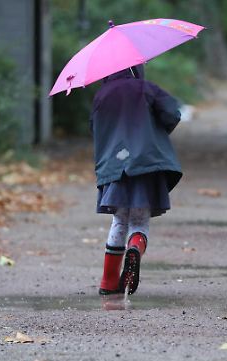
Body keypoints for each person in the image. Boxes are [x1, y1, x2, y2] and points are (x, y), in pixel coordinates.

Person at [91, 64, 182, 295]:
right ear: (136, 68)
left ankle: (108, 282)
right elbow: (172, 113)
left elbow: (96, 128)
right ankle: (135, 247)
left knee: (119, 221)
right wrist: (154, 129)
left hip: (116, 165)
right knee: (139, 222)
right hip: (146, 164)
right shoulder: (145, 88)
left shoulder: (102, 95)